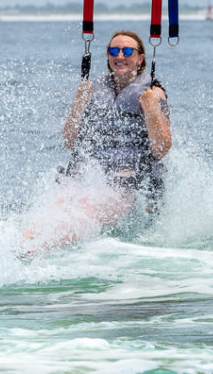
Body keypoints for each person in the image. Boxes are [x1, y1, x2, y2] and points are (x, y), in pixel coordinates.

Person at [20, 30, 171, 255]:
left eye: (127, 51)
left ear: (140, 59)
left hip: (128, 182)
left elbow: (161, 149)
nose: (120, 56)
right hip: (87, 174)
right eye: (113, 51)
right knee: (56, 206)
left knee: (86, 210)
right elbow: (70, 141)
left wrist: (150, 109)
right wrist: (77, 105)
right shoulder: (92, 89)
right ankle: (21, 245)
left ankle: (37, 250)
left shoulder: (153, 94)